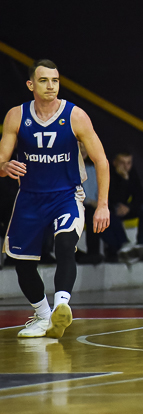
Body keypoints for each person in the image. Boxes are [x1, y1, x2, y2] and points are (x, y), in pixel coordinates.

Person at [0, 59, 111, 339]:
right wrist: (4, 166)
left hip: (66, 195)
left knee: (65, 244)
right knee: (22, 263)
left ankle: (62, 305)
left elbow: (101, 160)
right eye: (44, 80)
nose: (51, 86)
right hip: (29, 197)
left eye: (55, 80)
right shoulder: (16, 116)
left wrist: (103, 205)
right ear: (30, 85)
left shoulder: (76, 116)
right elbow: (1, 161)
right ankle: (43, 316)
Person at [107, 152, 143, 262]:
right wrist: (124, 180)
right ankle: (123, 245)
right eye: (122, 163)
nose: (126, 167)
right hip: (110, 209)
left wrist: (129, 207)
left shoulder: (132, 173)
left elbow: (140, 196)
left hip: (125, 209)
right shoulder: (107, 173)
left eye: (129, 163)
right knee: (108, 213)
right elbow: (112, 198)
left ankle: (141, 247)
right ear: (115, 163)